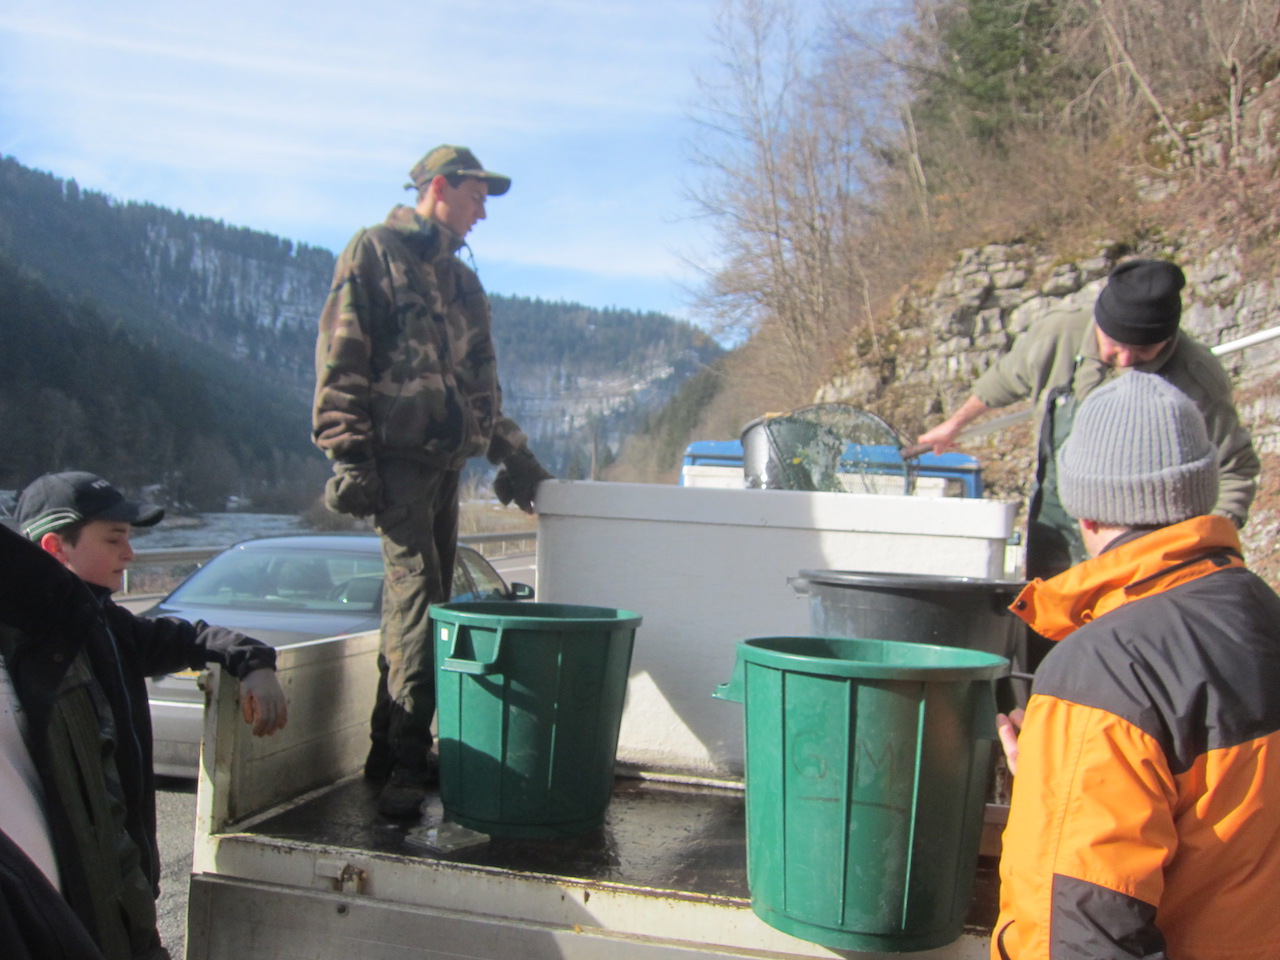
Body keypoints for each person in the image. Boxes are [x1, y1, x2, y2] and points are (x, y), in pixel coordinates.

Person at [991, 372, 1280, 960]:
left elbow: (1076, 939)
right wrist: (1059, 784)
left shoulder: (1104, 671)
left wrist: (1058, 797)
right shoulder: (1261, 609)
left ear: (1086, 515)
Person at [313, 144, 553, 818]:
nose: (483, 214)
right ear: (439, 188)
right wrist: (349, 456)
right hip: (394, 462)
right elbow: (342, 356)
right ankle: (407, 762)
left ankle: (387, 751)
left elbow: (481, 387)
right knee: (419, 602)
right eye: (477, 197)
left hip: (447, 465)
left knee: (426, 606)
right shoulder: (375, 251)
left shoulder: (462, 281)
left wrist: (514, 457)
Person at [8, 472, 289, 959]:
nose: (131, 554)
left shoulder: (110, 627)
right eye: (114, 539)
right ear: (55, 547)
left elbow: (192, 637)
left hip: (129, 883)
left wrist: (254, 662)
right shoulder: (31, 653)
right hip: (77, 900)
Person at [916, 258, 1258, 580]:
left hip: (1149, 552)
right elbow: (1001, 382)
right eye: (1115, 344)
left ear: (1168, 339)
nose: (1125, 359)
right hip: (1057, 531)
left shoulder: (1197, 377)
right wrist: (954, 424)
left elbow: (1236, 468)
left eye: (1143, 351)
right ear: (1099, 323)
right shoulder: (1058, 334)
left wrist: (1206, 540)